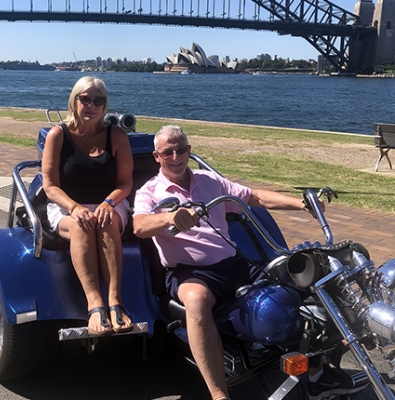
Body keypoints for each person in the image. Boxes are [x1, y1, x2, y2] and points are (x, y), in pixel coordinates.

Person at [132, 125, 365, 400]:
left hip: (234, 262)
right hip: (189, 272)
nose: (175, 156)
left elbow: (253, 196)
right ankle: (220, 394)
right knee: (196, 300)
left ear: (189, 151)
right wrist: (169, 218)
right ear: (157, 156)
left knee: (307, 281)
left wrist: (300, 204)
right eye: (167, 152)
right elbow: (139, 225)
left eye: (181, 149)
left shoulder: (210, 181)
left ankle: (318, 373)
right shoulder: (149, 191)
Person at [42, 76, 134, 336]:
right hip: (66, 206)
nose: (91, 105)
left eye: (98, 100)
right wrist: (75, 208)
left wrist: (109, 202)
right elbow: (50, 186)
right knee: (82, 227)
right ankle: (95, 303)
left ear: (105, 106)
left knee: (106, 220)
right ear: (75, 101)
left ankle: (115, 301)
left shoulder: (116, 135)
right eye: (86, 99)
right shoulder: (58, 135)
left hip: (110, 203)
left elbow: (125, 183)